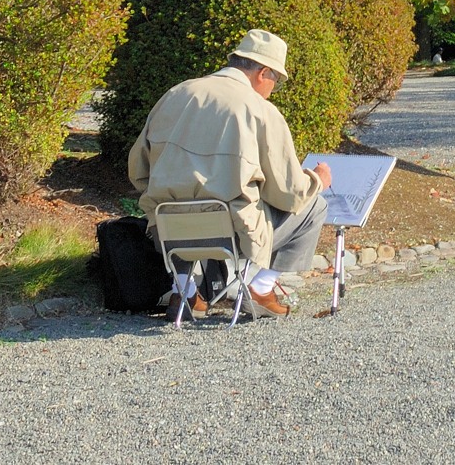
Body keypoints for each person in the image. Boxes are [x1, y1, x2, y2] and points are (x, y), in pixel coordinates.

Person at [129, 30, 331, 320]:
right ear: (263, 72)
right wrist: (318, 180)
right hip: (231, 235)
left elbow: (138, 172)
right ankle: (260, 288)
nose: (273, 89)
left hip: (169, 230)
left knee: (184, 203)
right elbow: (289, 194)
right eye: (276, 81)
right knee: (315, 205)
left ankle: (183, 291)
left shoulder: (175, 94)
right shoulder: (260, 110)